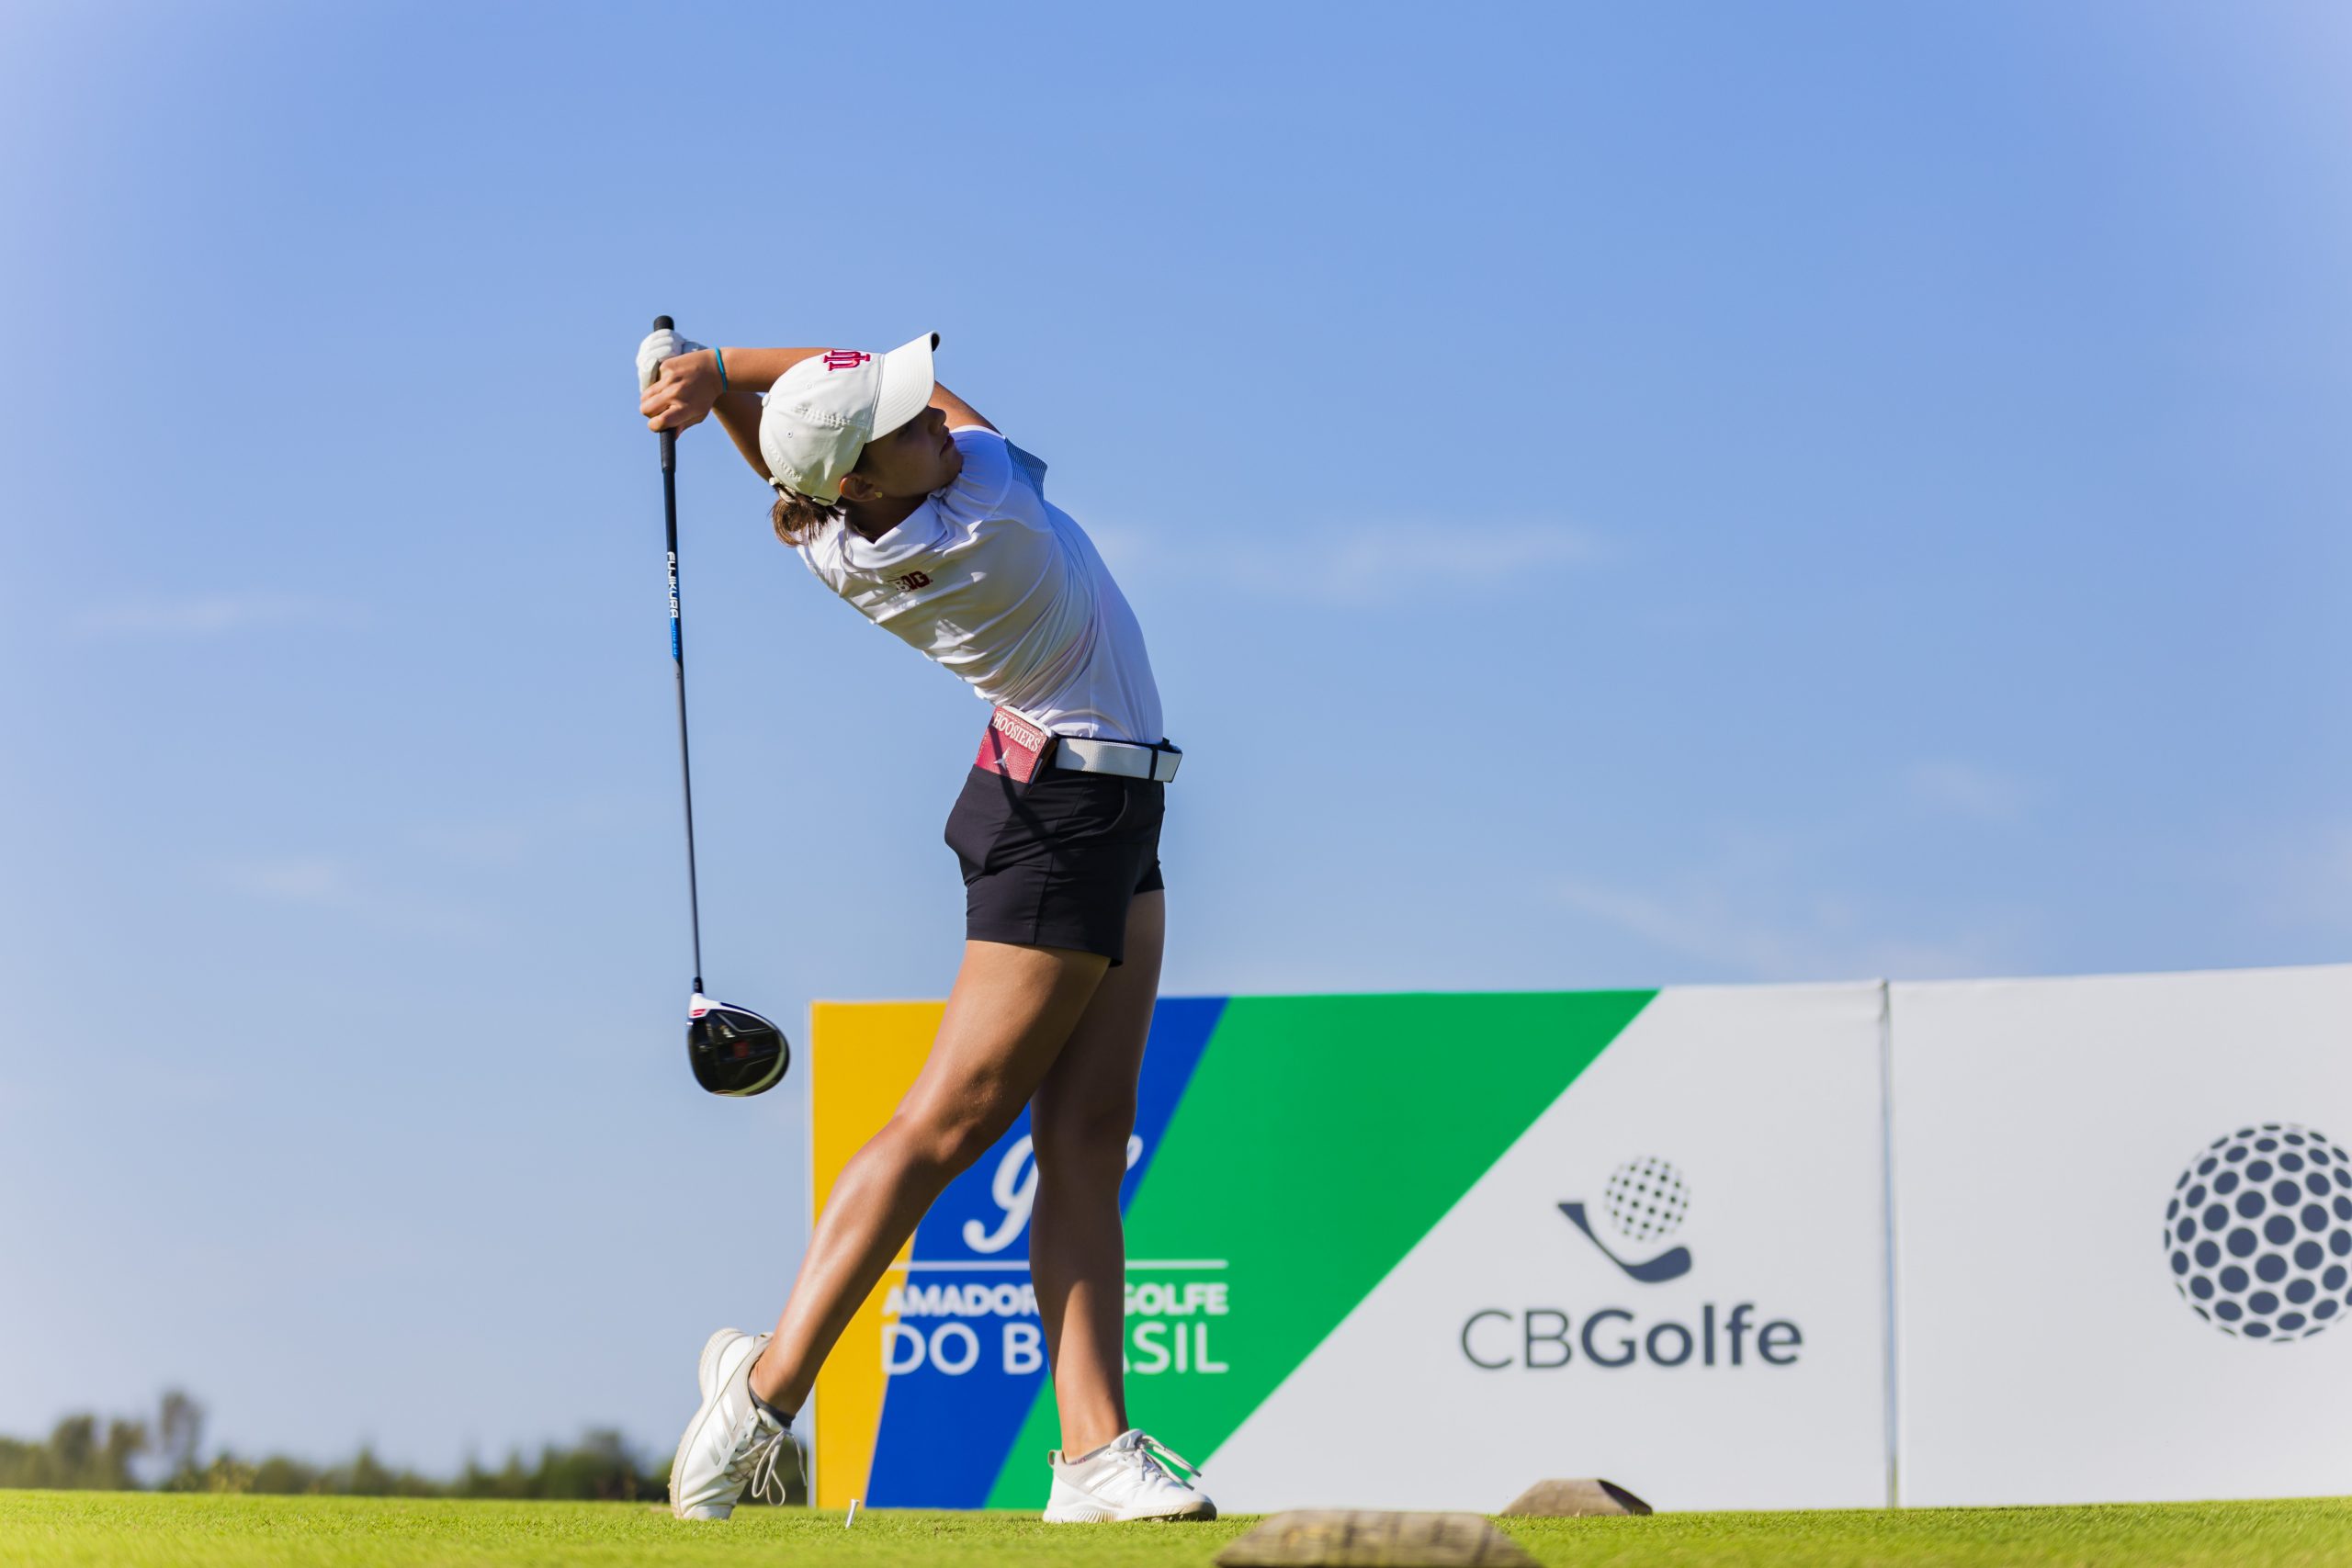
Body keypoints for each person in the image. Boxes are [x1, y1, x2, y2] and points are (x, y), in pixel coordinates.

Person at [635, 326, 1212, 1524]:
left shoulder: (842, 538)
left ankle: (1093, 1456)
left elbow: (799, 460)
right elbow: (936, 401)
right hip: (1062, 813)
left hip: (1105, 806)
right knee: (943, 1125)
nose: (928, 422)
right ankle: (763, 1396)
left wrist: (719, 391)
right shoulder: (985, 504)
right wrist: (722, 365)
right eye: (898, 427)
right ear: (864, 479)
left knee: (1092, 1135)